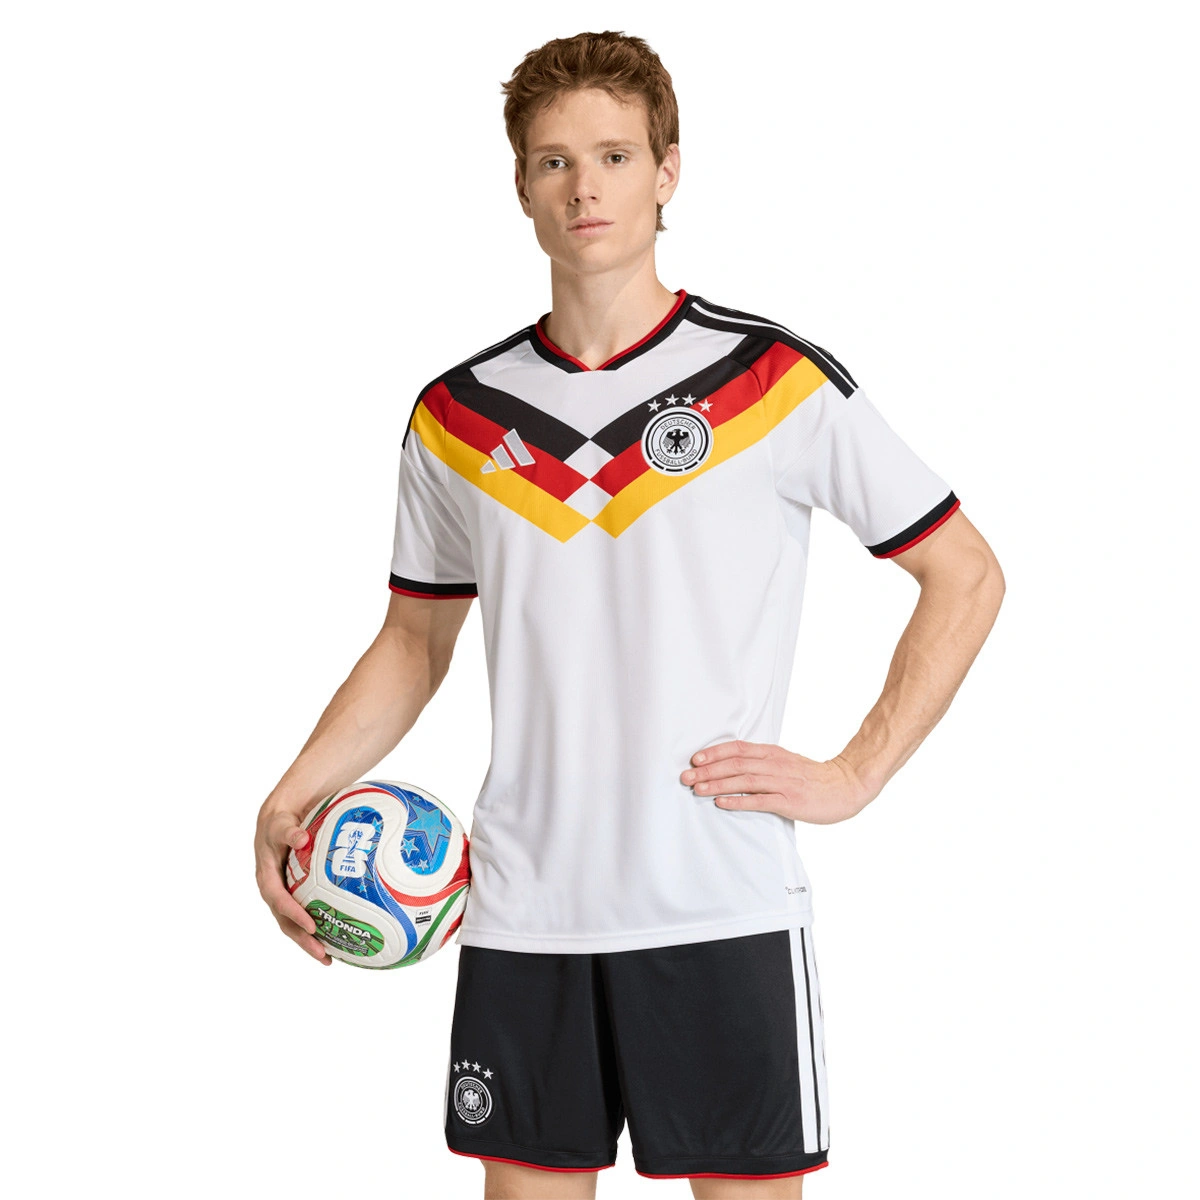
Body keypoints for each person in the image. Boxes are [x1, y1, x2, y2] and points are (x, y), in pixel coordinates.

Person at [254, 29, 1005, 1200]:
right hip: (522, 909)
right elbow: (413, 640)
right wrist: (293, 792)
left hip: (716, 901)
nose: (584, 188)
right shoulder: (459, 414)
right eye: (554, 162)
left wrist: (856, 773)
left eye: (613, 155)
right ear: (520, 187)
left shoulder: (770, 382)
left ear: (667, 172)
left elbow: (966, 573)